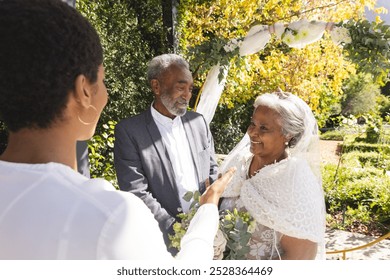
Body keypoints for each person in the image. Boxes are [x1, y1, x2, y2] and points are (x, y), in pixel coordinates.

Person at [0, 0, 235, 260]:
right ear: (84, 90)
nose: (107, 95)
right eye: (102, 80)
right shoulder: (111, 218)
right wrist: (207, 213)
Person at [114, 54, 219, 253]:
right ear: (156, 86)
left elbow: (212, 170)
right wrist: (176, 232)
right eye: (181, 87)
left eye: (190, 89)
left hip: (205, 235)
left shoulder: (199, 122)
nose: (187, 95)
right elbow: (136, 191)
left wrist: (206, 221)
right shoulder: (129, 131)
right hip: (159, 243)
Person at [219, 91, 326, 260]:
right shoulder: (239, 163)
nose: (252, 132)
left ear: (288, 134)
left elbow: (302, 257)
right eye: (252, 124)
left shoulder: (296, 181)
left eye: (264, 128)